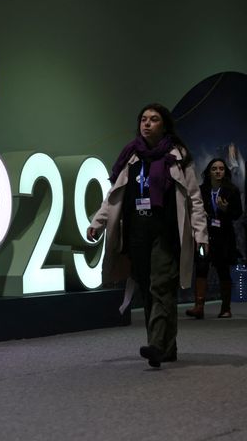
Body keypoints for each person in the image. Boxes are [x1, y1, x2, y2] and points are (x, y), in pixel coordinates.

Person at [87, 103, 208, 368]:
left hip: (165, 231)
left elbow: (194, 199)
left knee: (161, 284)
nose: (147, 123)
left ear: (164, 125)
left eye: (154, 119)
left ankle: (155, 345)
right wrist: (98, 222)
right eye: (143, 119)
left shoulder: (178, 157)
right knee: (149, 288)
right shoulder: (131, 156)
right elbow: (115, 196)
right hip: (136, 231)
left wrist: (201, 235)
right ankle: (168, 346)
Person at [185, 158, 243, 319]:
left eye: (221, 169)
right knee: (201, 267)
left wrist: (226, 209)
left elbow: (238, 213)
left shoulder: (232, 190)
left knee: (223, 270)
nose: (218, 171)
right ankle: (199, 307)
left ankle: (225, 308)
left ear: (225, 172)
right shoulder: (202, 190)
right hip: (205, 236)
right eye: (214, 169)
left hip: (224, 238)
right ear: (209, 172)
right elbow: (193, 209)